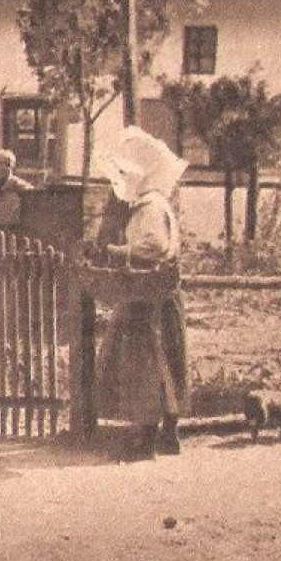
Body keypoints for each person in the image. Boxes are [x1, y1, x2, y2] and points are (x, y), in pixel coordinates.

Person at [93, 126, 189, 460]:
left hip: (148, 297)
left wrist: (116, 252)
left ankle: (147, 438)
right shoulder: (153, 204)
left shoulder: (150, 206)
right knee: (163, 363)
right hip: (158, 295)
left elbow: (154, 246)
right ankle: (167, 434)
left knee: (146, 366)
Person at [0, 149, 34, 231]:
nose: (3, 167)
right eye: (0, 163)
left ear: (13, 166)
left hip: (11, 228)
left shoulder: (19, 185)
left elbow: (32, 193)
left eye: (7, 164)